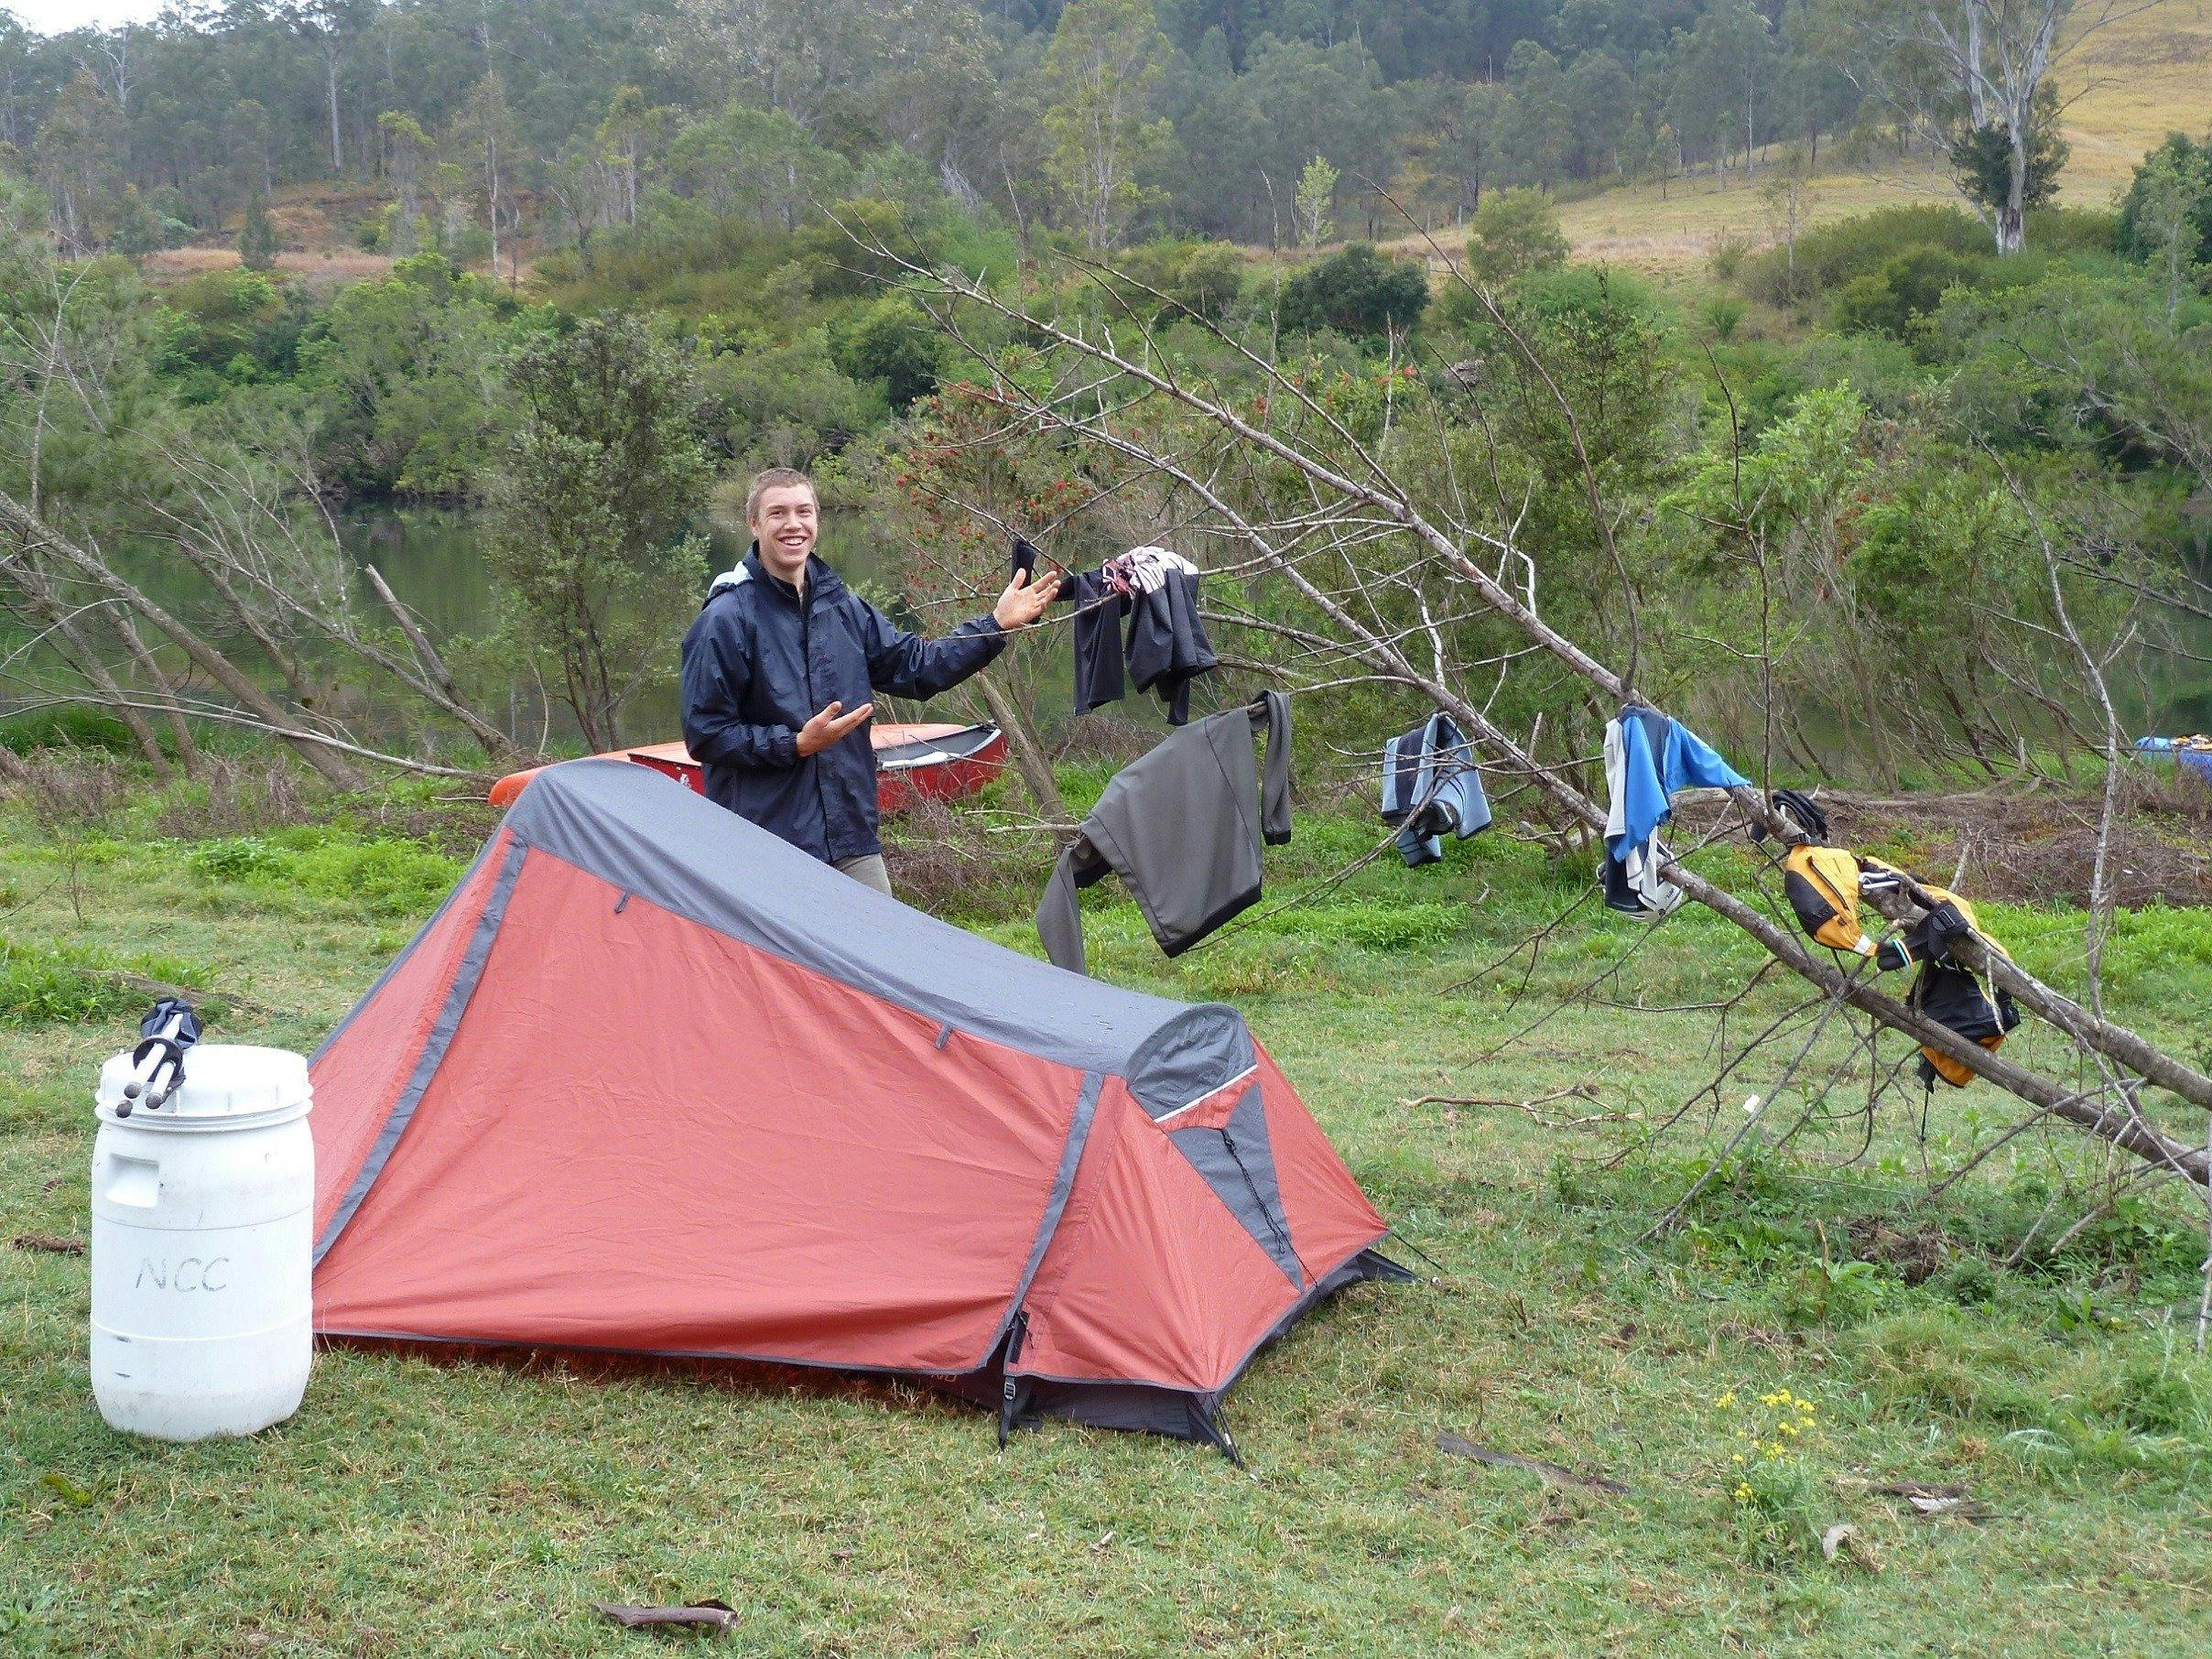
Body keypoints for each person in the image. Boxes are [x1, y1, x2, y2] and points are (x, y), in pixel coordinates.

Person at [680, 467, 1059, 895]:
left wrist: (995, 625)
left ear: (817, 521)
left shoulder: (842, 606)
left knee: (883, 953)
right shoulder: (725, 619)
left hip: (851, 834)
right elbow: (706, 735)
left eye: (804, 512)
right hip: (768, 842)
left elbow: (918, 668)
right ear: (754, 523)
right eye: (777, 513)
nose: (793, 525)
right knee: (787, 965)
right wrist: (794, 745)